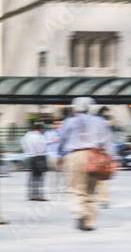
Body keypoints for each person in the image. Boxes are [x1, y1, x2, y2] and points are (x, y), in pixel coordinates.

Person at [58, 96, 117, 231]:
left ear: (75, 109)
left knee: (76, 189)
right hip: (95, 156)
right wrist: (113, 159)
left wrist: (60, 155)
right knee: (90, 191)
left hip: (75, 156)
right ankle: (88, 223)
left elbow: (62, 141)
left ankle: (79, 212)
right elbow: (109, 142)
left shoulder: (69, 122)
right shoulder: (100, 121)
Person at [21, 122, 48, 201]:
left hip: (29, 157)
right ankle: (38, 195)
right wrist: (41, 154)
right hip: (38, 157)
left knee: (32, 177)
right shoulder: (39, 136)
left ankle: (31, 195)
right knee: (39, 177)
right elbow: (41, 147)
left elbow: (23, 146)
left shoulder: (26, 136)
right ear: (40, 129)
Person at [44, 119, 64, 195]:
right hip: (51, 155)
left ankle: (59, 189)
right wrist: (53, 141)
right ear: (52, 125)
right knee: (52, 173)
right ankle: (51, 189)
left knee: (60, 174)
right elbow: (43, 142)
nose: (57, 125)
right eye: (56, 124)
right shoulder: (48, 133)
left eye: (59, 124)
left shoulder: (63, 133)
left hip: (61, 155)